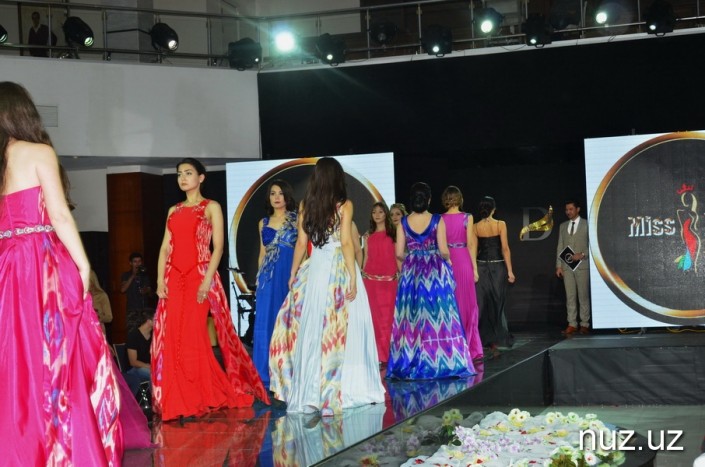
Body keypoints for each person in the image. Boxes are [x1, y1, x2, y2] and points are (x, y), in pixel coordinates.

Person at [0, 81, 150, 464]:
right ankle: (65, 447)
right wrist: (83, 266)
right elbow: (60, 215)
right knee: (61, 356)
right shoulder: (37, 151)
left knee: (15, 362)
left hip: (6, 265)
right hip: (40, 262)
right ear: (23, 113)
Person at [152, 157, 269, 421]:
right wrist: (160, 280)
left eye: (188, 173)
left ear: (201, 177)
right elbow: (165, 248)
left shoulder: (211, 207)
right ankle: (177, 398)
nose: (183, 178)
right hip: (173, 279)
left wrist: (207, 281)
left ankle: (199, 395)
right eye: (179, 174)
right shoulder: (173, 210)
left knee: (193, 337)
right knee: (173, 338)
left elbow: (218, 248)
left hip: (199, 277)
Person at [269, 157, 385, 415]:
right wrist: (353, 275)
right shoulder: (344, 205)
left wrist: (293, 272)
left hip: (315, 268)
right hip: (338, 267)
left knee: (314, 329)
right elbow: (346, 243)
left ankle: (312, 391)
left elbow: (302, 243)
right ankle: (344, 388)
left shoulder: (305, 205)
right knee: (345, 327)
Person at [387, 182, 475, 380]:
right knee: (439, 315)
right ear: (428, 199)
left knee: (412, 317)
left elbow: (399, 253)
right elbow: (444, 250)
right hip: (434, 272)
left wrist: (414, 256)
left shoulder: (403, 222)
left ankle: (410, 360)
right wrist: (444, 259)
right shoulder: (436, 220)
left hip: (411, 274)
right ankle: (441, 360)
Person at [253, 179, 297, 387]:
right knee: (265, 322)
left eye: (280, 193)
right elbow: (262, 253)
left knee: (288, 321)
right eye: (272, 193)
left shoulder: (297, 219)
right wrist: (259, 278)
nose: (276, 197)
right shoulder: (262, 222)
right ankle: (264, 373)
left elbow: (303, 249)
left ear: (287, 195)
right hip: (268, 276)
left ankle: (288, 370)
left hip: (289, 274)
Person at [441, 186, 483, 362]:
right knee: (467, 304)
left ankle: (454, 347)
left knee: (452, 304)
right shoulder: (467, 217)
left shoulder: (440, 219)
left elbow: (440, 245)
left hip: (447, 261)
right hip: (463, 260)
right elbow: (471, 244)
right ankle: (469, 347)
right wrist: (474, 268)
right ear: (460, 198)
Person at [474, 196, 515, 352]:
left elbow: (473, 251)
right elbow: (505, 249)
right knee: (496, 302)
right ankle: (495, 337)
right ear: (493, 209)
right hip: (497, 267)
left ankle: (487, 338)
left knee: (484, 303)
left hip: (481, 267)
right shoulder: (500, 224)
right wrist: (510, 271)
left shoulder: (475, 227)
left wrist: (474, 270)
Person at [362, 202, 399, 366]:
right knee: (375, 321)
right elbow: (366, 258)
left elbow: (398, 257)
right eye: (374, 212)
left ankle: (388, 355)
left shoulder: (394, 234)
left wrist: (402, 276)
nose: (377, 215)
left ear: (386, 214)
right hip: (370, 282)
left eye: (380, 212)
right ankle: (379, 356)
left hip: (389, 283)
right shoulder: (367, 236)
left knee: (388, 319)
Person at [555, 199, 590, 335]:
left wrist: (582, 254)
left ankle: (584, 323)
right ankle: (572, 323)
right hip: (567, 266)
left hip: (582, 266)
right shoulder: (563, 226)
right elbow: (560, 246)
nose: (568, 212)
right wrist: (559, 266)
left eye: (571, 209)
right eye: (566, 210)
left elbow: (592, 245)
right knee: (570, 296)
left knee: (583, 295)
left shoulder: (587, 224)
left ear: (577, 209)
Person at [121, 252, 152, 332]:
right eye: (135, 261)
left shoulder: (145, 275)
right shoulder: (126, 275)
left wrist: (146, 290)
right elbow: (123, 289)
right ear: (130, 263)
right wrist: (133, 276)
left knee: (145, 333)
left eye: (139, 261)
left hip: (144, 309)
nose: (137, 264)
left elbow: (150, 291)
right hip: (132, 309)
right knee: (132, 332)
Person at [126, 309, 154, 391]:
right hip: (134, 369)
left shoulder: (154, 335)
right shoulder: (133, 335)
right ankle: (156, 398)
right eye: (157, 319)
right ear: (149, 321)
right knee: (154, 374)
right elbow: (133, 362)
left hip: (149, 367)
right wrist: (149, 366)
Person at [88, 269, 113, 336]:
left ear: (92, 281)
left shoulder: (101, 296)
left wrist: (97, 316)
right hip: (84, 331)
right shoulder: (80, 296)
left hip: (98, 330)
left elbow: (109, 317)